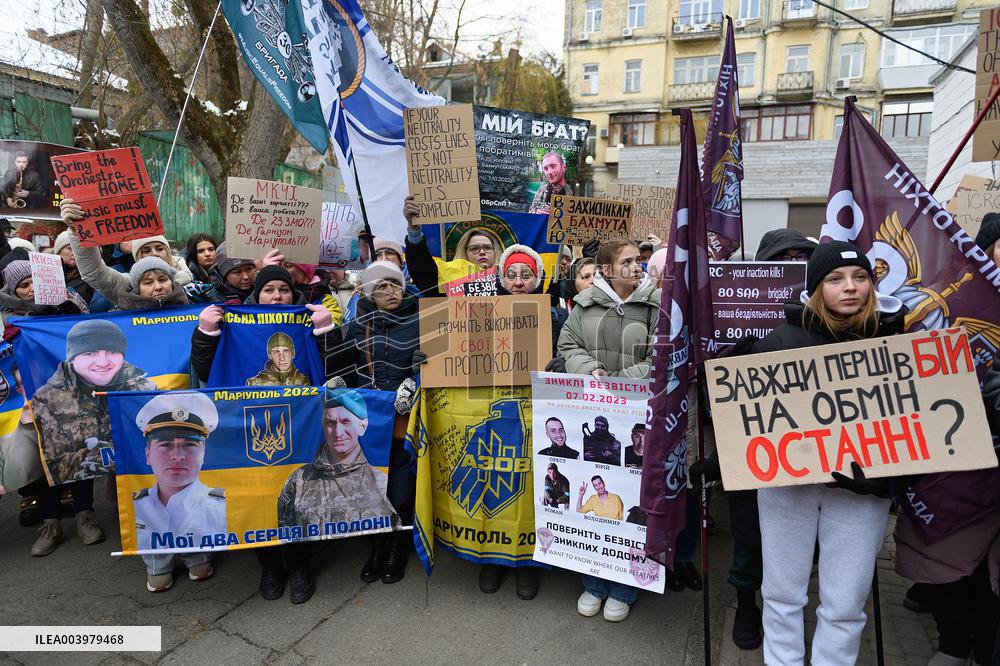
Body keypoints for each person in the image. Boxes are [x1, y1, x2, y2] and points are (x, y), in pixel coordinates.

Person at [738, 241, 908, 664]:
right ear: (816, 288)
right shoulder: (780, 340)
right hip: (787, 488)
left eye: (860, 277)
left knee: (846, 603)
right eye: (835, 279)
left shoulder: (898, 341)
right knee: (781, 593)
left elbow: (914, 431)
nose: (850, 287)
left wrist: (888, 477)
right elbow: (747, 420)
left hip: (861, 492)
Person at [190, 265, 339, 604]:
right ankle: (268, 564)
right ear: (257, 295)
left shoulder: (309, 319)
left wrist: (327, 331)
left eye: (283, 290)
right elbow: (206, 370)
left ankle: (300, 564)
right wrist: (206, 333)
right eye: (269, 290)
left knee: (300, 496)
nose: (276, 296)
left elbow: (338, 369)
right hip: (253, 434)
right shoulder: (235, 324)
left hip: (300, 434)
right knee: (258, 495)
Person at [556, 238, 659, 622]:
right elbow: (568, 345)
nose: (637, 267)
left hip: (637, 419)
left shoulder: (656, 304)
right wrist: (591, 372)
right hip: (595, 414)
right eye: (628, 262)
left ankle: (625, 586)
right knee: (596, 503)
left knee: (631, 498)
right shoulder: (583, 307)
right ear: (607, 269)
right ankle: (594, 582)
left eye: (639, 261)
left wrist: (618, 381)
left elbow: (660, 353)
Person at [29, 320, 156, 555]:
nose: (103, 361)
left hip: (118, 466)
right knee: (46, 464)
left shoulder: (142, 385)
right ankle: (50, 522)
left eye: (112, 351)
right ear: (72, 357)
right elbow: (55, 461)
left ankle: (85, 515)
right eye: (89, 353)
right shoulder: (47, 397)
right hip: (71, 466)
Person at [338, 260, 420, 585]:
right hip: (368, 422)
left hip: (403, 420)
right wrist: (340, 382)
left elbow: (436, 359)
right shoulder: (359, 323)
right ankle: (377, 545)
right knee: (371, 489)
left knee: (400, 490)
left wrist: (416, 380)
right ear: (369, 293)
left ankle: (398, 546)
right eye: (381, 286)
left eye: (394, 284)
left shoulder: (422, 316)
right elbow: (346, 363)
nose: (390, 291)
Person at [277, 389, 400, 600]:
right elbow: (284, 529)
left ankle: (382, 551)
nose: (338, 431)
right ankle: (299, 569)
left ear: (363, 426)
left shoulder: (381, 480)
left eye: (346, 421)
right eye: (330, 423)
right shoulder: (298, 480)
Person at [133, 392, 225, 593]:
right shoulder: (137, 503)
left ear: (203, 454)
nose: (177, 456)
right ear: (148, 454)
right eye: (165, 445)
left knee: (199, 522)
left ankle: (198, 555)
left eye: (190, 445)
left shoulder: (220, 503)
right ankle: (158, 564)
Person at [0, 258, 89, 323]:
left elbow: (90, 323)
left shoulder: (68, 295)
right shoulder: (5, 314)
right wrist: (32, 320)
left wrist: (77, 313)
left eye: (35, 281)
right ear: (14, 291)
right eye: (24, 286)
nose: (33, 288)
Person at [53, 230, 94, 304]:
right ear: (58, 251)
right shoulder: (46, 275)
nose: (75, 252)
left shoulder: (91, 277)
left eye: (79, 248)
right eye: (70, 248)